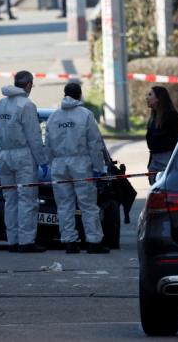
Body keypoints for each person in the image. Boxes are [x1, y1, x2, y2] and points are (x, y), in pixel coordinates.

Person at [45, 83, 109, 254]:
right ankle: (94, 242)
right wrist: (99, 167)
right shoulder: (85, 115)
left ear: (64, 94)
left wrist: (53, 164)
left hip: (59, 165)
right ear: (80, 95)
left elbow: (48, 144)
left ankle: (70, 242)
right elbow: (94, 143)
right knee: (88, 205)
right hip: (81, 164)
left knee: (64, 205)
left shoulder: (53, 117)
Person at [0, 71, 49, 253]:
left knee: (10, 200)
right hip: (23, 156)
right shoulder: (26, 105)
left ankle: (12, 240)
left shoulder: (0, 104)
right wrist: (43, 161)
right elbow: (33, 136)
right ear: (29, 85)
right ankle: (26, 242)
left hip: (5, 155)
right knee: (27, 200)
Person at [145, 86, 178, 184]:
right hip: (155, 161)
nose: (147, 98)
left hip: (167, 162)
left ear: (158, 98)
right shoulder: (153, 118)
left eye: (150, 95)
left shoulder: (171, 116)